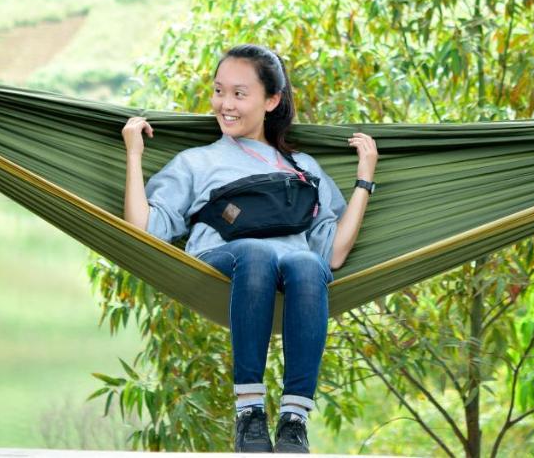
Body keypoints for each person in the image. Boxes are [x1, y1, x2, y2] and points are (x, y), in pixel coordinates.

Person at [123, 44, 377, 454]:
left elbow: (332, 254)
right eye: (219, 91)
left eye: (239, 94)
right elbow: (142, 228)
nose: (225, 104)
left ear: (271, 101)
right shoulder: (196, 162)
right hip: (221, 267)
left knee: (308, 264)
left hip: (292, 274)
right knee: (256, 253)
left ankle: (295, 418)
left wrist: (364, 178)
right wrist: (134, 154)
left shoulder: (304, 168)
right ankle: (249, 411)